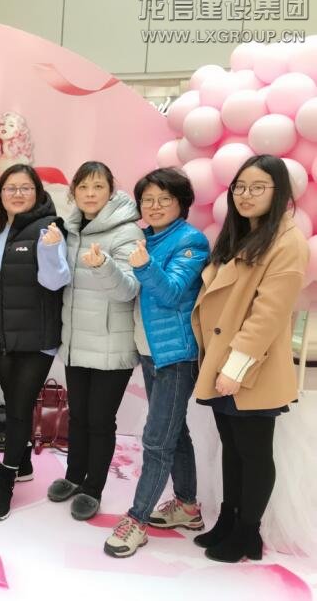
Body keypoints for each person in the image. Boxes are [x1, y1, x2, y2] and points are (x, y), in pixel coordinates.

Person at [192, 154, 308, 563]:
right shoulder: (242, 234)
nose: (246, 195)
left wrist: (235, 368)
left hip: (249, 368)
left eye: (258, 187)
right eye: (240, 187)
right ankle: (229, 519)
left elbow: (267, 315)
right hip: (221, 359)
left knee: (254, 451)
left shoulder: (287, 242)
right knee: (232, 446)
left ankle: (248, 533)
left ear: (280, 193)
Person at [103, 168, 210, 558]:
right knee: (173, 432)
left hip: (175, 357)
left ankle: (137, 520)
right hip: (150, 352)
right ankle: (187, 507)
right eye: (148, 199)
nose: (155, 205)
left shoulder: (191, 240)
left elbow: (173, 293)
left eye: (165, 199)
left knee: (156, 440)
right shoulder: (145, 237)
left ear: (182, 203)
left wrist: (145, 265)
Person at [46, 161, 144, 521]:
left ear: (110, 191)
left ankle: (93, 488)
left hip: (111, 343)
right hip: (76, 340)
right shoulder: (70, 228)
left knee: (101, 420)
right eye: (83, 187)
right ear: (73, 192)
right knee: (78, 416)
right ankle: (74, 475)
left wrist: (103, 266)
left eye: (98, 187)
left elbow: (128, 290)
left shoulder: (126, 231)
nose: (90, 194)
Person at [0, 164, 68, 520]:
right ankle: (24, 463)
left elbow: (55, 281)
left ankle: (6, 478)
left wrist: (50, 249)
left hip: (35, 336)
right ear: (0, 193)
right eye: (10, 188)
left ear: (38, 192)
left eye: (25, 188)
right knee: (15, 402)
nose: (17, 194)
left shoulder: (49, 228)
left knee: (18, 408)